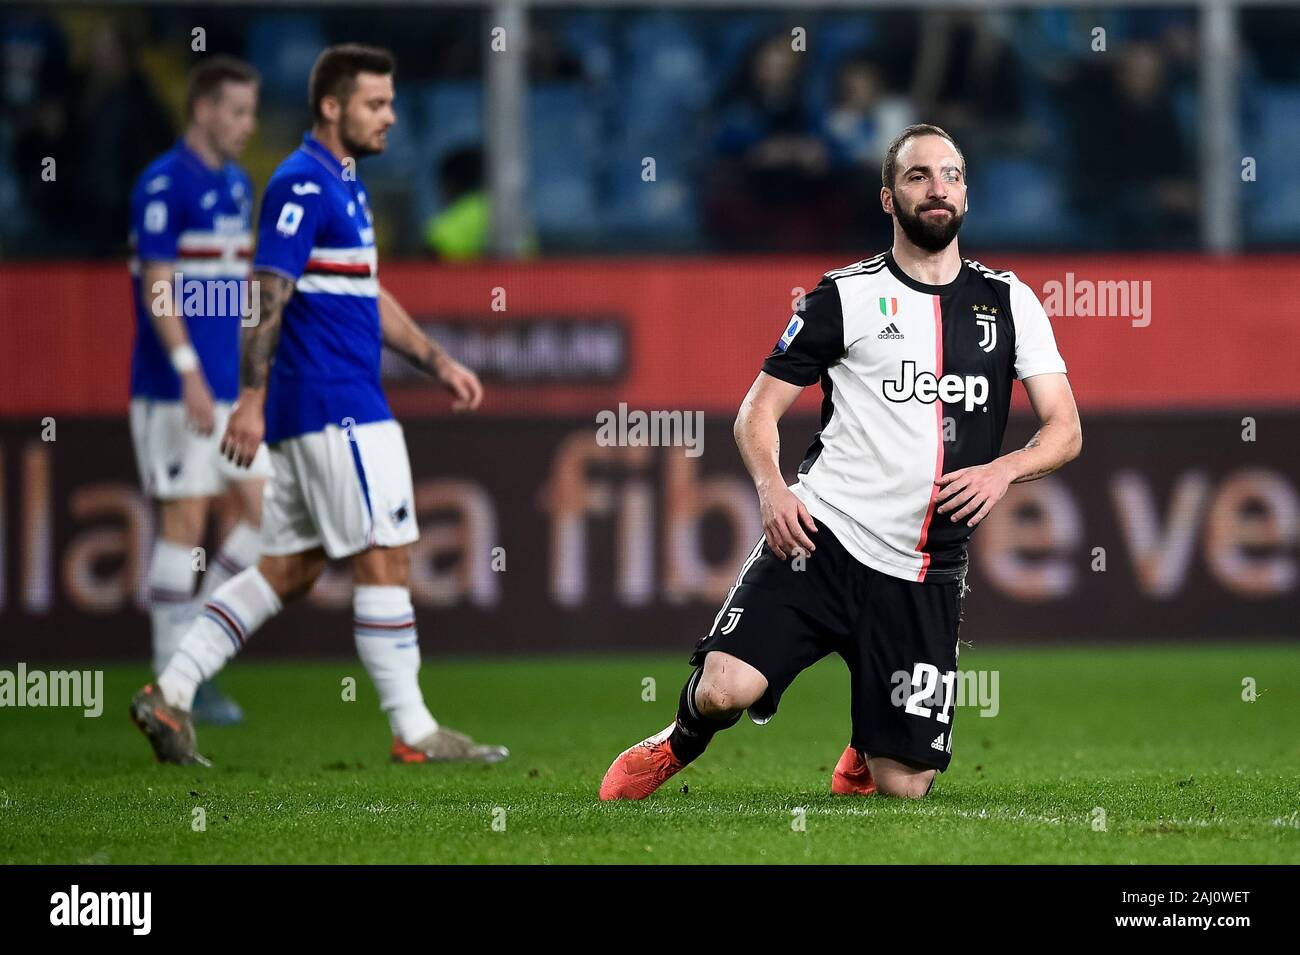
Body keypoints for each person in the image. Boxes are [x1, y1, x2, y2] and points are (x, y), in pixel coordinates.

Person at [601, 124, 1082, 800]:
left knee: (904, 787)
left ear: (967, 194)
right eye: (918, 176)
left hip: (923, 569)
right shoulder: (843, 296)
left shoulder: (1010, 302)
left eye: (950, 175)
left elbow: (1065, 429)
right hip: (823, 539)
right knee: (723, 690)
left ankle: (869, 739)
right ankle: (676, 739)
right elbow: (756, 413)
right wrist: (771, 488)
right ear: (889, 199)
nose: (936, 188)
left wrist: (1004, 469)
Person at [130, 45, 507, 767]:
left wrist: (435, 359)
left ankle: (170, 690)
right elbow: (266, 292)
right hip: (340, 409)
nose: (390, 117)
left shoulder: (344, 184)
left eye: (392, 103)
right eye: (375, 104)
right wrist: (248, 398)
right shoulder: (303, 183)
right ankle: (415, 729)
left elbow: (363, 292)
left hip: (325, 410)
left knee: (288, 568)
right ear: (332, 107)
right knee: (386, 556)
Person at [127, 56, 269, 726]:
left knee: (266, 515)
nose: (248, 125)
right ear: (203, 109)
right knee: (183, 525)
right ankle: (170, 680)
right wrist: (186, 368)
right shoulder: (162, 183)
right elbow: (159, 285)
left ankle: (192, 658)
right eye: (237, 111)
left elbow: (239, 289)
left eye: (251, 111)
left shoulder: (238, 185)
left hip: (221, 388)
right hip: (171, 389)